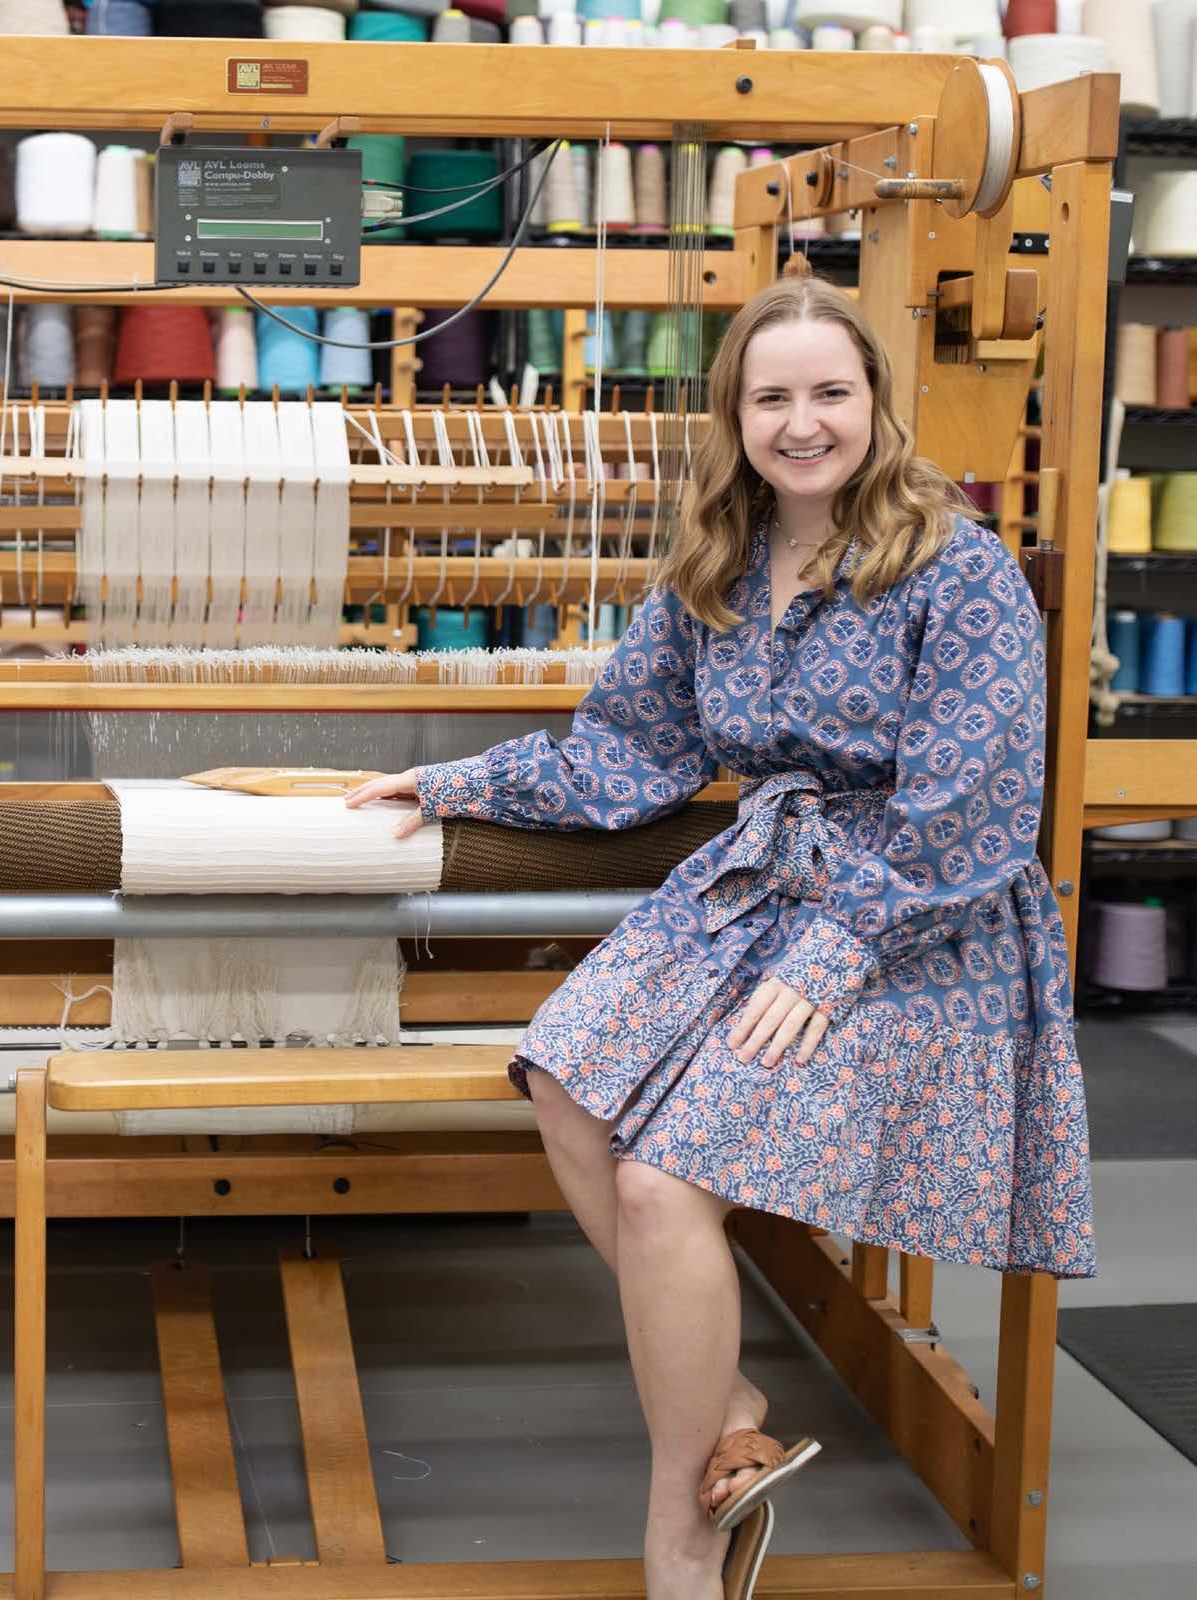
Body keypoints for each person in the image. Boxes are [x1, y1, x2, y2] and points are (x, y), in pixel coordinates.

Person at [345, 257, 1095, 1600]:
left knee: (658, 1181)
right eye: (771, 400)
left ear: (876, 400)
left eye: (829, 393)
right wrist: (450, 784)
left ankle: (681, 1529)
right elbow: (626, 750)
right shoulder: (718, 564)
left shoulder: (957, 566)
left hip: (915, 921)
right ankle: (727, 1402)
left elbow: (969, 810)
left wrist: (837, 953)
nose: (802, 424)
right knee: (564, 1082)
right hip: (761, 891)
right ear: (734, 418)